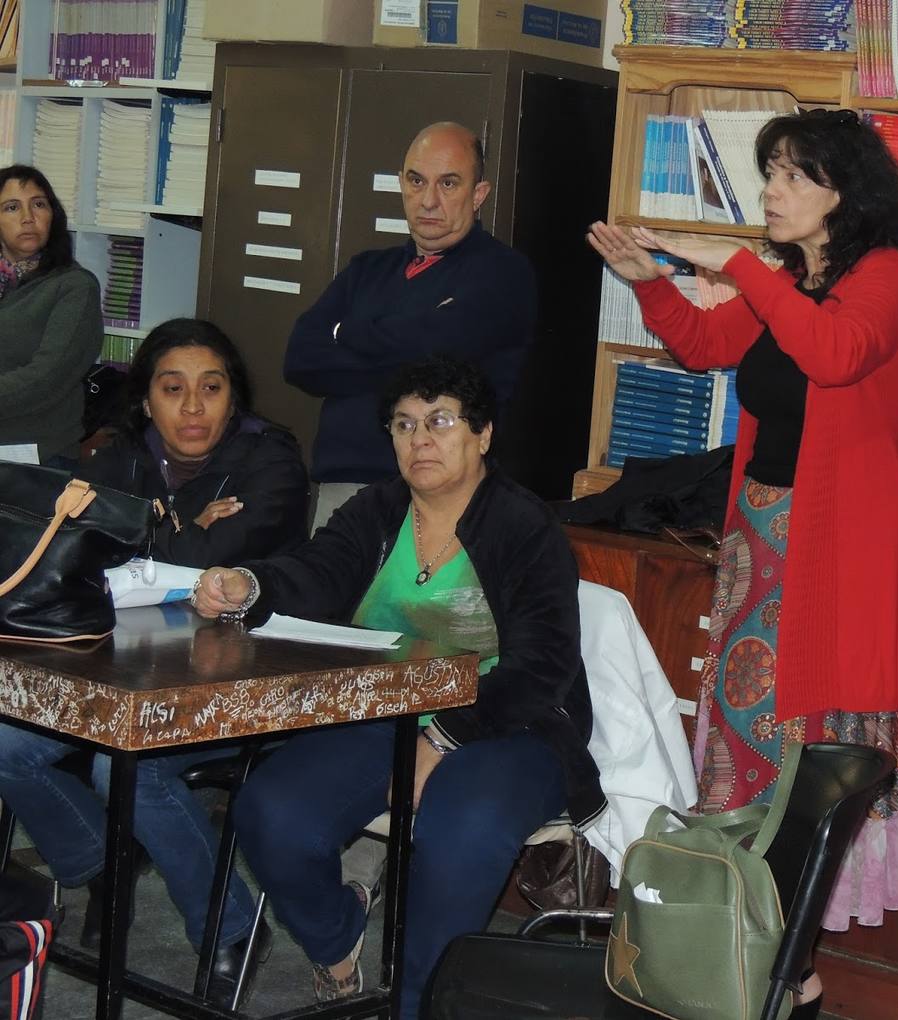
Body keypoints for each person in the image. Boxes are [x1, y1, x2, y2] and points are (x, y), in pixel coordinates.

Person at [587, 107, 898, 1015]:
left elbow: (833, 355)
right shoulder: (795, 275)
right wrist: (651, 283)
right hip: (761, 534)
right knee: (746, 751)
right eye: (769, 172)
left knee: (812, 760)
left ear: (841, 190)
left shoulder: (888, 277)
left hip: (842, 550)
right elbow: (710, 347)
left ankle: (786, 968)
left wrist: (736, 263)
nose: (771, 191)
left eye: (791, 175)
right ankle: (766, 963)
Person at [190, 355, 599, 1017]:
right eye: (404, 425)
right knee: (271, 814)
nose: (421, 440)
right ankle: (337, 944)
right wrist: (251, 585)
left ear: (482, 434)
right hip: (387, 710)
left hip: (510, 723)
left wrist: (444, 738)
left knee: (458, 828)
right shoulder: (378, 509)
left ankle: (416, 1005)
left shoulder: (524, 527)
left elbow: (544, 666)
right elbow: (318, 574)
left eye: (440, 421)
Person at [0, 317, 309, 1007]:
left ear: (236, 397)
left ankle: (230, 926)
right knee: (4, 741)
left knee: (123, 765)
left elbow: (211, 567)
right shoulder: (116, 456)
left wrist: (169, 533)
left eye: (211, 388)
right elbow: (72, 559)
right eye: (173, 389)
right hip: (123, 667)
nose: (193, 408)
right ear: (146, 400)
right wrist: (187, 530)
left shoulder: (271, 459)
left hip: (241, 673)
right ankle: (104, 861)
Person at [284, 121, 537, 529]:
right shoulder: (367, 269)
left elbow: (438, 351)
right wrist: (406, 358)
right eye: (417, 181)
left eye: (449, 184)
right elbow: (299, 358)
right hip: (343, 490)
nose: (429, 201)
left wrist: (345, 333)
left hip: (440, 495)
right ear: (401, 184)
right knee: (330, 592)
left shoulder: (502, 273)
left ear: (479, 195)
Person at [0, 165, 102, 466]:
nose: (28, 217)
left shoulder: (74, 286)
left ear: (52, 216)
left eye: (39, 204)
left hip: (36, 458)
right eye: (11, 207)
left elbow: (46, 379)